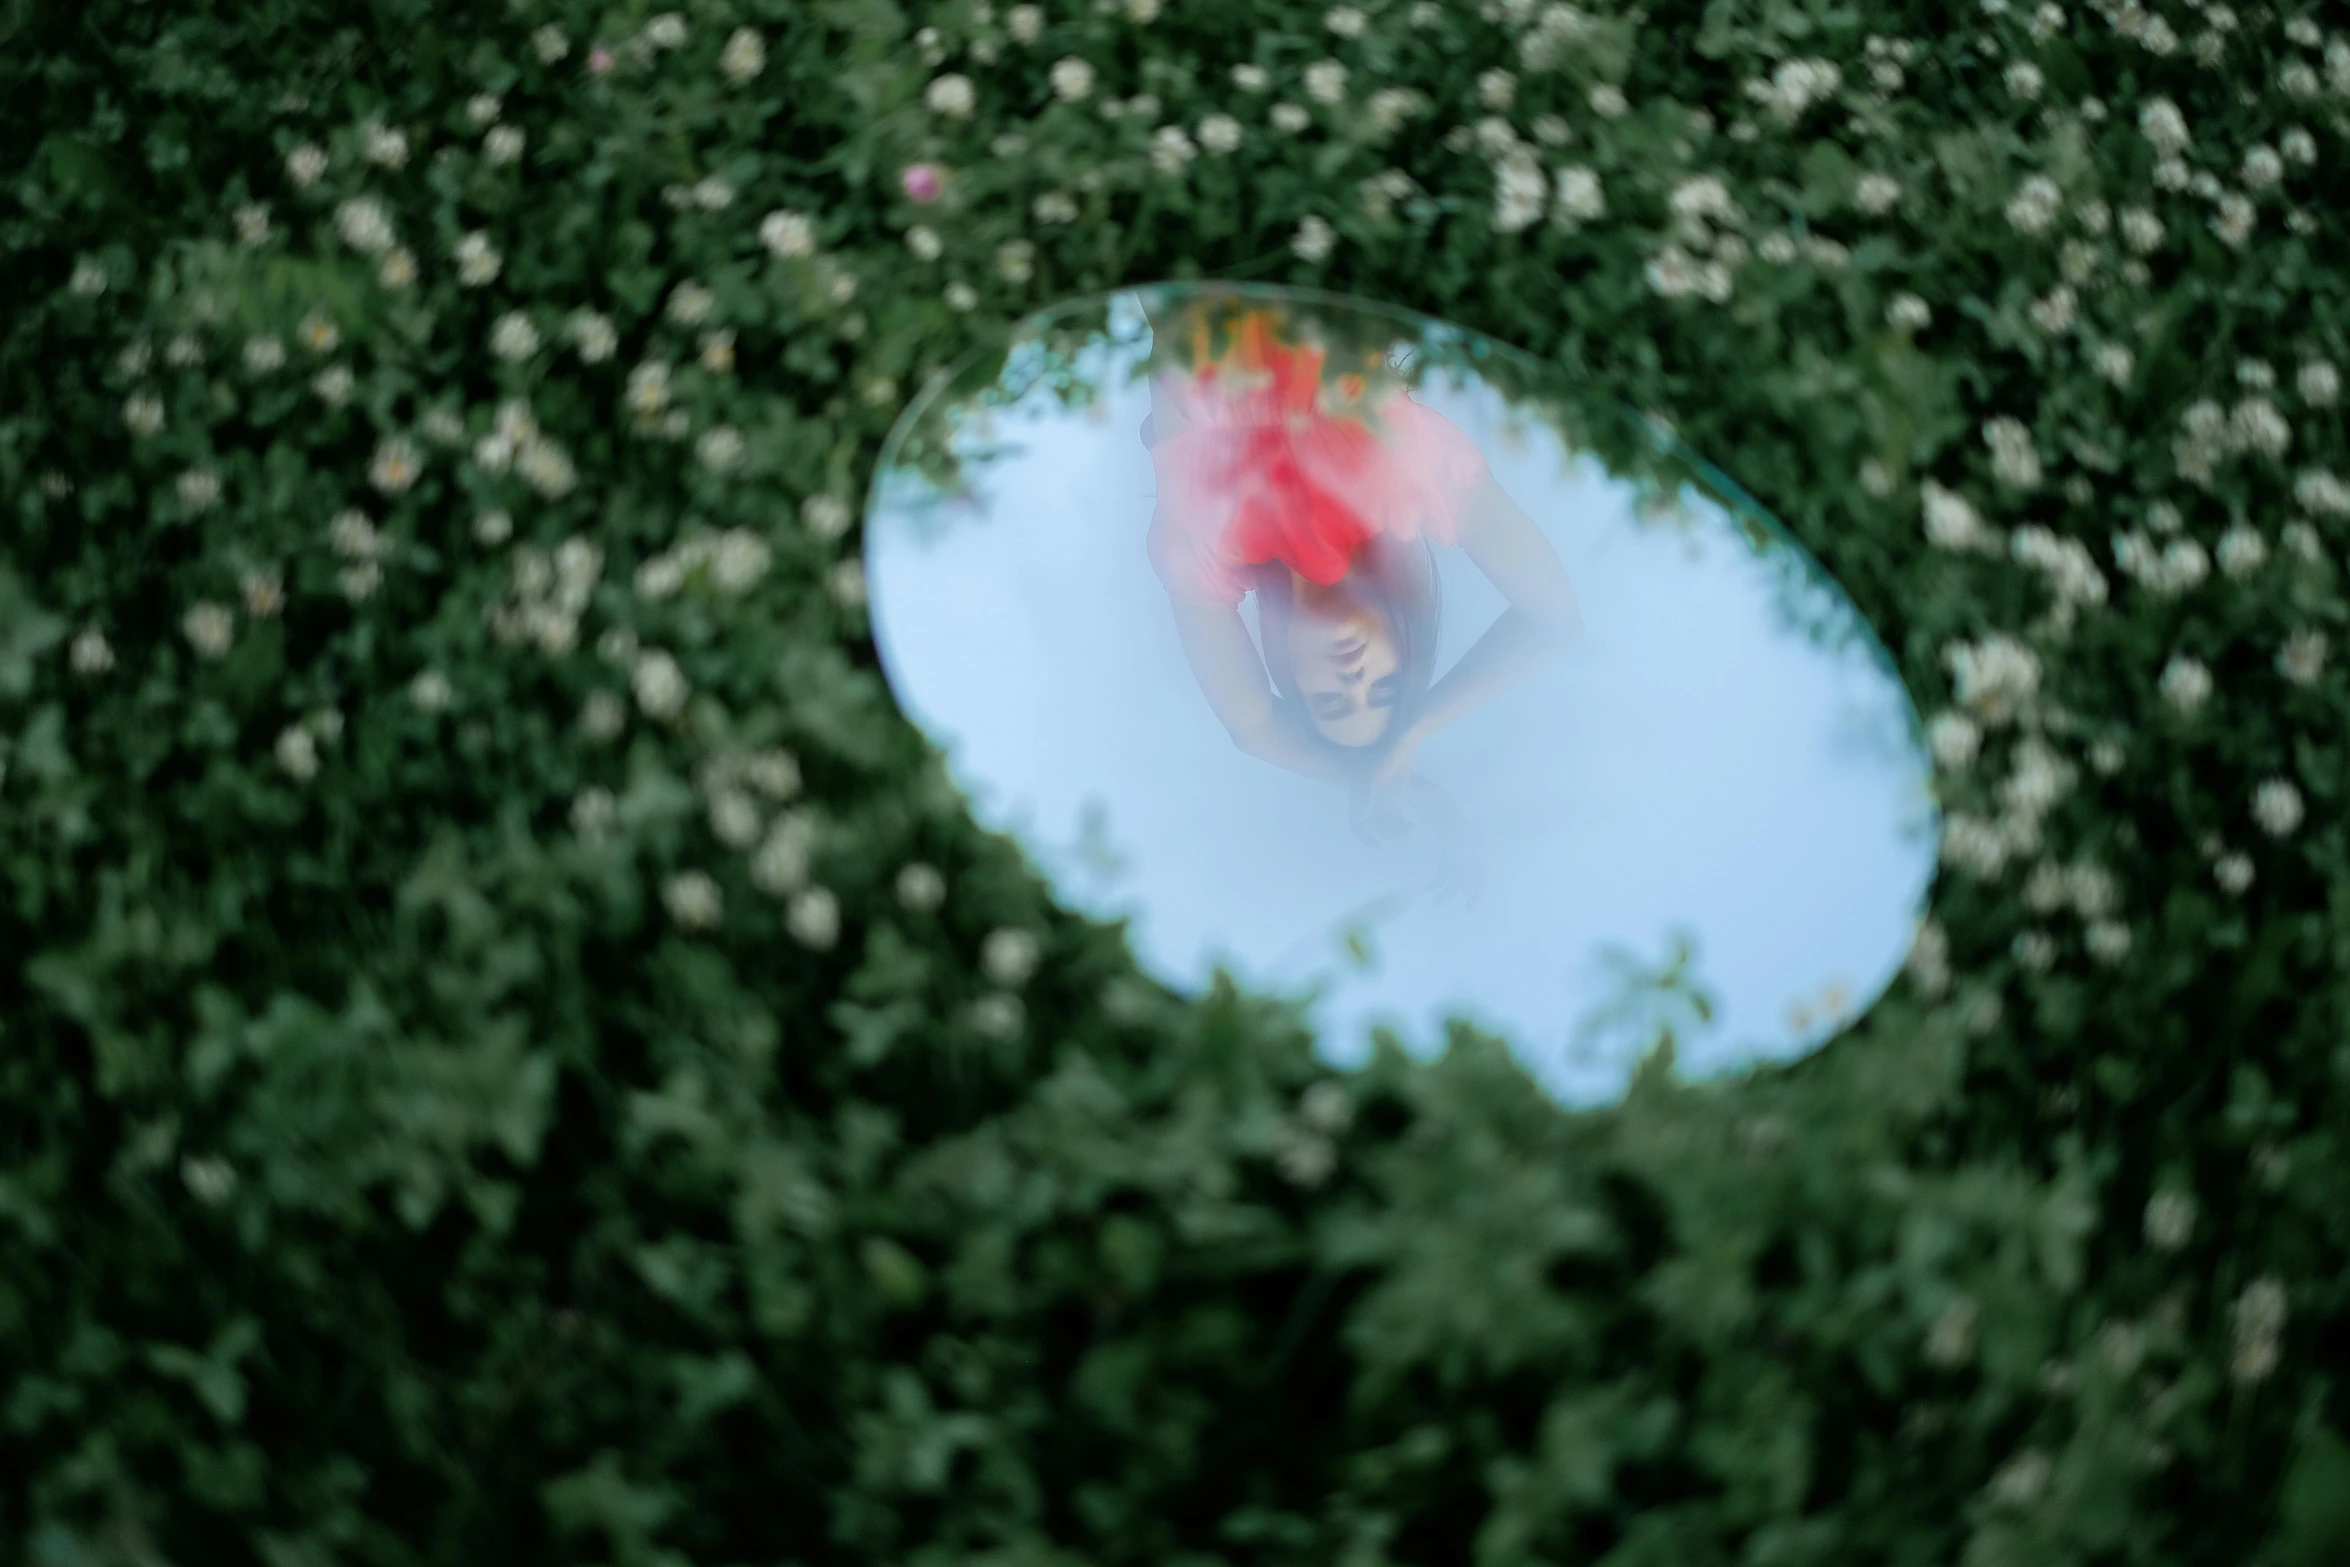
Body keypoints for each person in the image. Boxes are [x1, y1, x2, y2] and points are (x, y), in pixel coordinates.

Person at [1138, 298, 1582, 900]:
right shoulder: (1409, 487)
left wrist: (1371, 772)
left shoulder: (1208, 547)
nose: (1353, 678)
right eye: (1383, 687)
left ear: (1288, 671)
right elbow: (1553, 620)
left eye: (1329, 700)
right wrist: (1411, 734)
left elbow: (1253, 727)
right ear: (1404, 640)